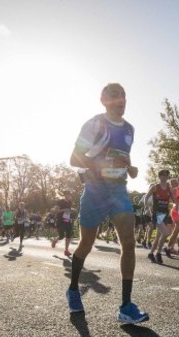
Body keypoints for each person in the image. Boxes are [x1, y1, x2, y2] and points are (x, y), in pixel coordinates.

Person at [67, 82, 148, 323]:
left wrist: (129, 168)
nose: (120, 100)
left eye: (123, 96)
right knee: (86, 244)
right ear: (104, 100)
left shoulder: (130, 129)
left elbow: (122, 156)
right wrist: (103, 166)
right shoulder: (95, 124)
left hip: (118, 190)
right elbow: (74, 158)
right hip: (94, 190)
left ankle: (125, 306)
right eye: (114, 97)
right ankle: (73, 289)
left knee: (129, 242)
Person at [146, 169, 175, 264]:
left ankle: (151, 254)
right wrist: (148, 209)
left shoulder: (169, 187)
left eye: (166, 175)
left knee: (159, 237)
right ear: (159, 177)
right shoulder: (155, 187)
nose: (165, 177)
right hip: (157, 214)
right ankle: (158, 253)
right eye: (162, 175)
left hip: (165, 214)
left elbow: (174, 200)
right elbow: (146, 197)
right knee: (166, 233)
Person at [52, 191, 74, 257]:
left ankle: (66, 250)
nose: (69, 196)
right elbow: (55, 211)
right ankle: (55, 240)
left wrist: (71, 211)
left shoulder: (70, 203)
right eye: (67, 194)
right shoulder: (60, 202)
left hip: (67, 220)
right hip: (60, 221)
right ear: (65, 195)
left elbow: (68, 211)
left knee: (69, 235)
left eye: (70, 195)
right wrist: (64, 210)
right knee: (61, 236)